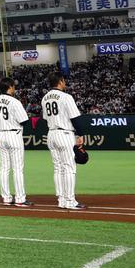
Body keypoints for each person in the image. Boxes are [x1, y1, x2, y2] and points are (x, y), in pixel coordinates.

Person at [42, 73, 86, 210]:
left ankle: (61, 200)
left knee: (58, 168)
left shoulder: (44, 98)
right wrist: (81, 134)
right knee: (69, 168)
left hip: (51, 134)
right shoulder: (66, 97)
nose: (65, 82)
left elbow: (45, 119)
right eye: (64, 80)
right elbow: (75, 118)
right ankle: (70, 200)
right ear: (60, 82)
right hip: (65, 133)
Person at [0, 78, 31, 207]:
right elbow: (25, 122)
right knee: (17, 168)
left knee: (4, 168)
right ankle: (20, 198)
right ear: (10, 87)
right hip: (14, 134)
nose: (14, 89)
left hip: (1, 135)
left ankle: (6, 198)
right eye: (13, 86)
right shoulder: (15, 102)